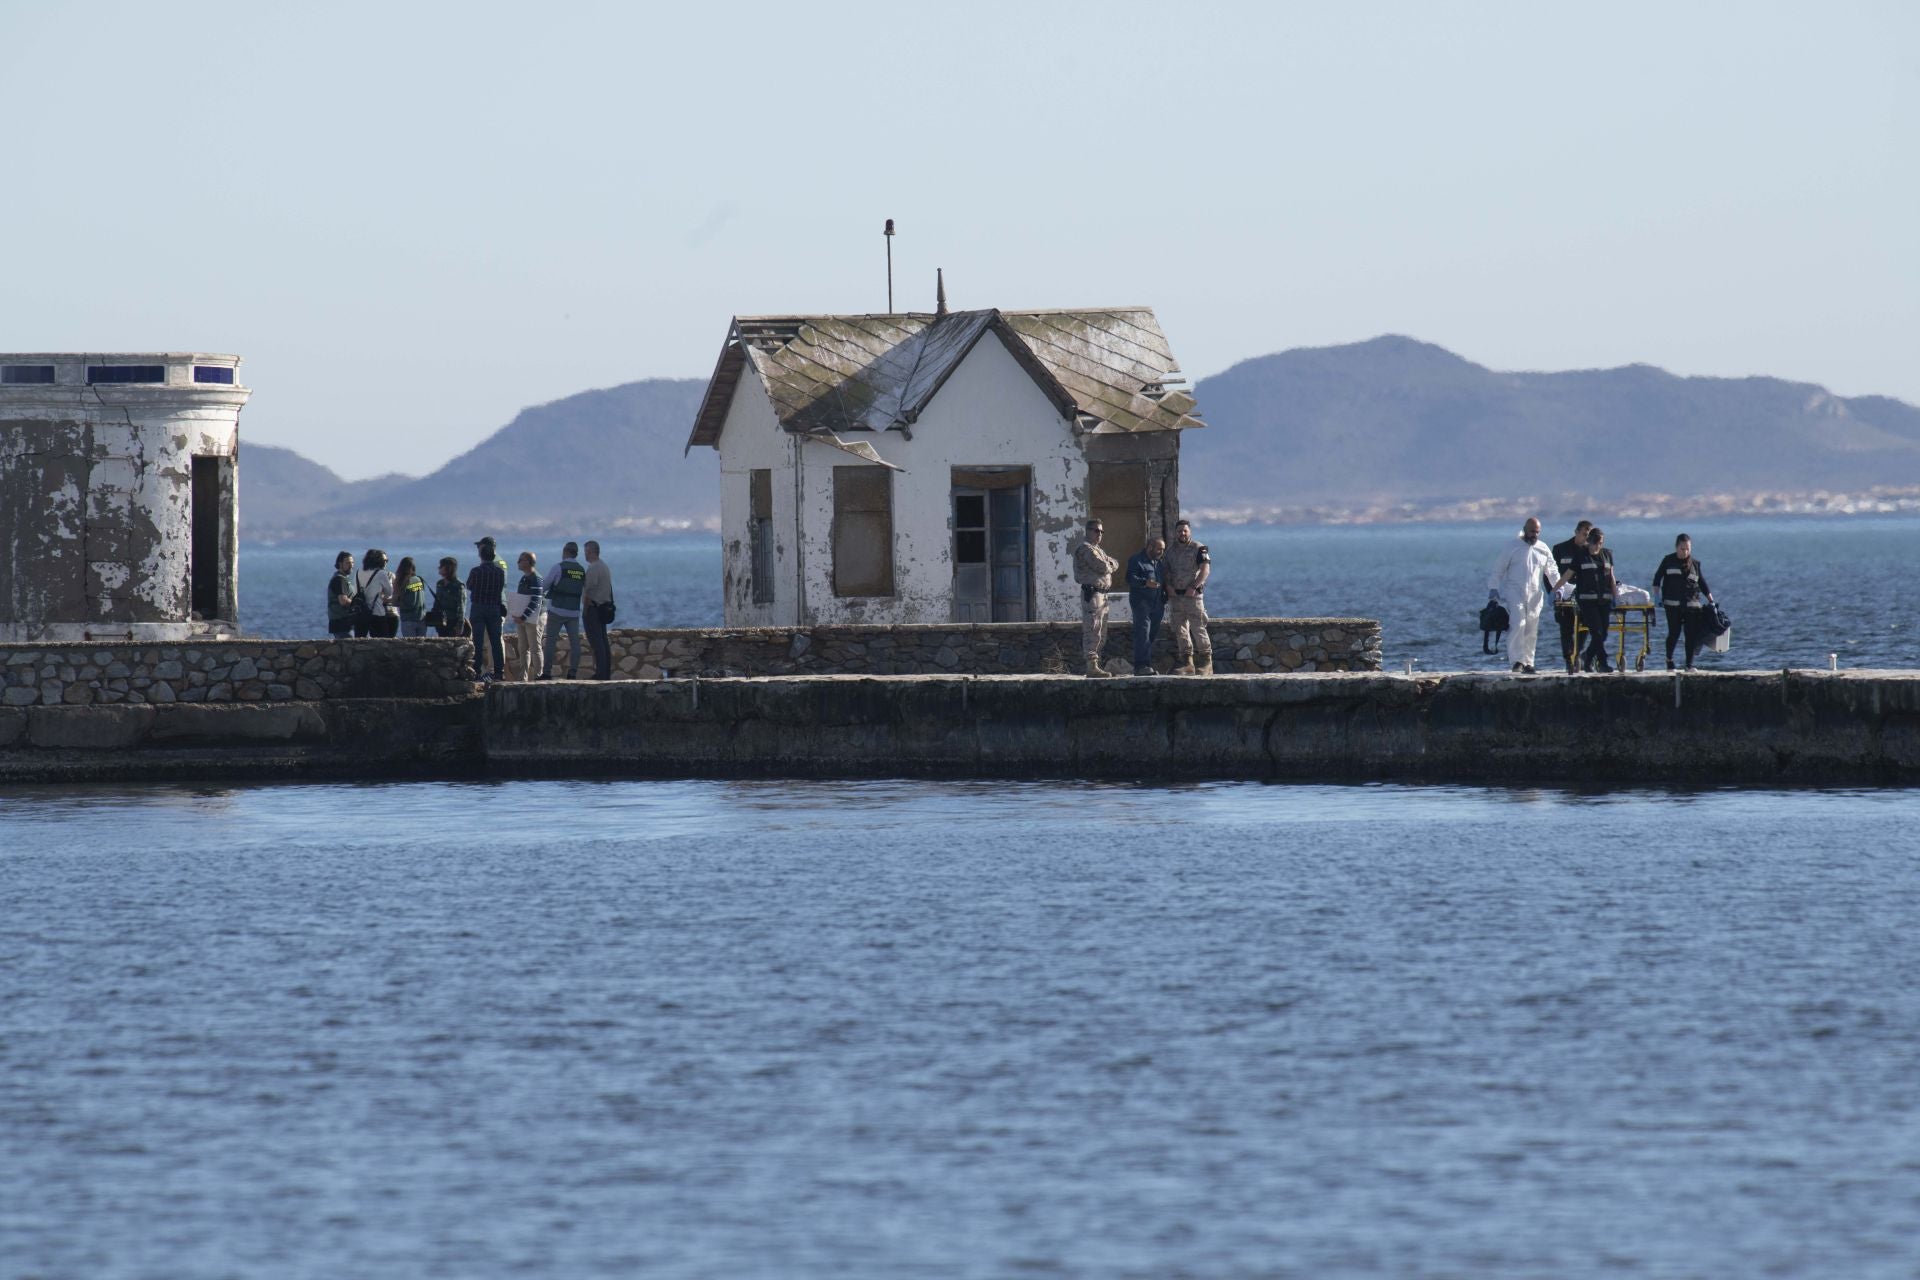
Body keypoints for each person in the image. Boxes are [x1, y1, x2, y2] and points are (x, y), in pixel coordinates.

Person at [1486, 517, 1561, 675]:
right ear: (1525, 529)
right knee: (1518, 624)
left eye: (1537, 532)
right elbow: (1499, 568)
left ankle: (1528, 662)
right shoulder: (1512, 547)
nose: (1534, 534)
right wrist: (1493, 587)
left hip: (1535, 594)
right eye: (1532, 531)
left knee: (1531, 628)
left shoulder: (1543, 548)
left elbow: (1552, 571)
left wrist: (1558, 588)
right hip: (1515, 592)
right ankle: (1516, 661)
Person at [1652, 533, 1714, 670]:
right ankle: (1669, 660)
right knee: (1674, 633)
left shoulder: (1695, 564)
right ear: (1676, 547)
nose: (1685, 551)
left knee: (1690, 635)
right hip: (1672, 606)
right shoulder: (1668, 561)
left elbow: (1702, 583)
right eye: (1682, 548)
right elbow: (1657, 579)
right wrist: (1656, 596)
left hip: (1692, 606)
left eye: (1687, 549)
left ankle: (1689, 665)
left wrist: (1710, 599)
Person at [1163, 518, 1213, 675]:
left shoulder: (1199, 548)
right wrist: (1168, 587)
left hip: (1193, 596)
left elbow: (1205, 570)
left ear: (1189, 532)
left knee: (1198, 627)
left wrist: (1194, 586)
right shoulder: (1170, 551)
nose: (1182, 533)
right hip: (1176, 597)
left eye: (1185, 531)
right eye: (1179, 531)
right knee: (1181, 629)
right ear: (1175, 533)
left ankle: (1206, 662)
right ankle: (1187, 663)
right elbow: (1165, 572)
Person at [1072, 519, 1120, 678]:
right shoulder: (1085, 549)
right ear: (1087, 531)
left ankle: (1096, 665)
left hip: (1102, 594)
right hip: (1092, 594)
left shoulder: (1098, 549)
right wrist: (1109, 564)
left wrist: (1110, 563)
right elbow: (1103, 566)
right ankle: (1091, 665)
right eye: (1096, 530)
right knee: (1093, 628)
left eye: (1101, 531)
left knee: (1101, 630)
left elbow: (1116, 563)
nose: (1099, 534)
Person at [1572, 525, 1618, 673]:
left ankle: (1587, 656)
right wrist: (1554, 590)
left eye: (1600, 543)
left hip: (1604, 600)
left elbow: (1611, 577)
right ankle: (1603, 662)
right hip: (1586, 601)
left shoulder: (1607, 555)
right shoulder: (1580, 555)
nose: (1598, 546)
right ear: (1590, 542)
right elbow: (1568, 574)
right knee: (1596, 633)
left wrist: (1615, 595)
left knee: (1603, 633)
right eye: (1596, 543)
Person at [1549, 520, 1593, 673]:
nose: (1586, 539)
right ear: (1576, 532)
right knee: (1566, 628)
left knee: (1585, 627)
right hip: (1563, 597)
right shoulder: (1560, 549)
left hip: (1584, 597)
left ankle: (1578, 653)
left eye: (1589, 536)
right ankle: (1569, 659)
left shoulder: (1591, 552)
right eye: (1584, 535)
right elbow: (1549, 574)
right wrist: (1553, 593)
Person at [541, 541, 587, 680]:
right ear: (576, 553)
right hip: (573, 612)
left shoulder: (558, 568)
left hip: (557, 610)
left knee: (550, 642)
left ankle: (547, 673)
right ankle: (573, 673)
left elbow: (545, 586)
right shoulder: (581, 570)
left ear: (565, 552)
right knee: (575, 643)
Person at [1126, 535, 1169, 676]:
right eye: (1159, 549)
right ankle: (1141, 667)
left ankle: (1146, 665)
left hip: (1157, 604)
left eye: (1163, 549)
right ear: (1149, 547)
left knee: (1151, 635)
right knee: (1142, 633)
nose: (1161, 552)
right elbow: (1130, 578)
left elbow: (1163, 582)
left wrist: (1165, 596)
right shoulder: (1136, 560)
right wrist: (1145, 582)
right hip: (1141, 603)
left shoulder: (1158, 563)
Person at [467, 537, 508, 682]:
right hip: (494, 607)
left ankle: (476, 671)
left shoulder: (476, 571)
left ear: (481, 555)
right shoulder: (500, 572)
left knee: (477, 641)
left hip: (478, 607)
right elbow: (501, 587)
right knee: (495, 641)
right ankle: (499, 672)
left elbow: (469, 586)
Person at [510, 550, 546, 682]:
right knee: (523, 648)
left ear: (527, 562)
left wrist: (523, 617)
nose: (518, 562)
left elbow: (536, 600)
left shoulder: (535, 578)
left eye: (520, 560)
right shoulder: (524, 578)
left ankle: (539, 676)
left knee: (535, 647)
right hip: (524, 617)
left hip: (534, 617)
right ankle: (522, 677)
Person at [581, 539, 615, 680]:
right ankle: (605, 672)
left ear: (591, 552)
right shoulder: (604, 566)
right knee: (603, 641)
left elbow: (588, 591)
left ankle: (601, 674)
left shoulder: (594, 568)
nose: (585, 555)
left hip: (594, 609)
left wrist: (585, 610)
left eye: (586, 552)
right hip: (603, 608)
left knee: (597, 643)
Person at [355, 548, 397, 638]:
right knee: (383, 642)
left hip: (361, 613)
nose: (385, 562)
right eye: (384, 560)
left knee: (360, 642)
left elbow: (356, 591)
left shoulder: (359, 572)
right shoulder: (381, 573)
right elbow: (389, 592)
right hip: (377, 612)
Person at [429, 556, 468, 639]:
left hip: (452, 621)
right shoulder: (440, 584)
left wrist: (460, 624)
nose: (439, 568)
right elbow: (437, 602)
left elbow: (461, 606)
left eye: (441, 566)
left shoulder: (458, 585)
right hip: (441, 620)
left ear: (448, 568)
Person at [392, 556, 430, 637]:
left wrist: (388, 600)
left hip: (408, 619)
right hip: (422, 618)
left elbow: (396, 602)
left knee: (410, 647)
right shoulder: (419, 579)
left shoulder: (403, 582)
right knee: (422, 646)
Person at [326, 550, 356, 639]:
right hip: (342, 623)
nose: (351, 565)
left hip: (342, 623)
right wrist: (358, 604)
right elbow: (343, 601)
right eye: (348, 563)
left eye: (352, 563)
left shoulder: (343, 579)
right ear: (340, 564)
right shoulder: (340, 580)